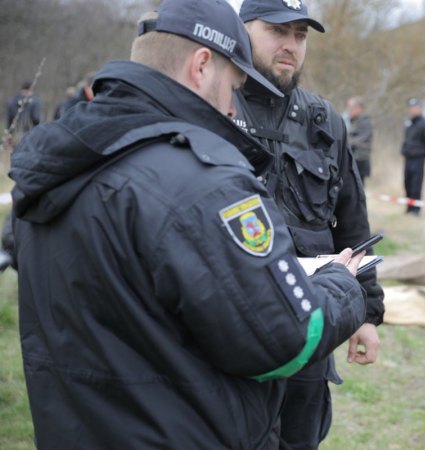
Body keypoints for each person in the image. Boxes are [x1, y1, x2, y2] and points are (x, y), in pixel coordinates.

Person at [9, 0, 369, 448]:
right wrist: (343, 285)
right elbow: (284, 337)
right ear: (201, 66)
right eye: (233, 86)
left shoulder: (55, 167)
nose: (232, 108)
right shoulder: (199, 180)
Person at [233, 1, 385, 448]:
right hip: (233, 325)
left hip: (312, 323)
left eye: (300, 35)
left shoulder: (323, 121)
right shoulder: (214, 107)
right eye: (277, 31)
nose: (291, 45)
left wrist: (366, 313)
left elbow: (353, 222)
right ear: (241, 31)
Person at [401, 97, 425, 216]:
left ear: (420, 108)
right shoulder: (408, 122)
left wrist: (422, 154)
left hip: (418, 158)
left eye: (415, 107)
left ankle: (416, 210)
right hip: (408, 157)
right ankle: (409, 208)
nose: (412, 110)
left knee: (416, 184)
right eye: (410, 108)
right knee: (407, 182)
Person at [346, 95, 373, 184]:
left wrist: (347, 142)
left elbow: (361, 140)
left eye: (351, 108)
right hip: (352, 159)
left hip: (360, 160)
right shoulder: (353, 121)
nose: (349, 110)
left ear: (359, 108)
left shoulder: (365, 123)